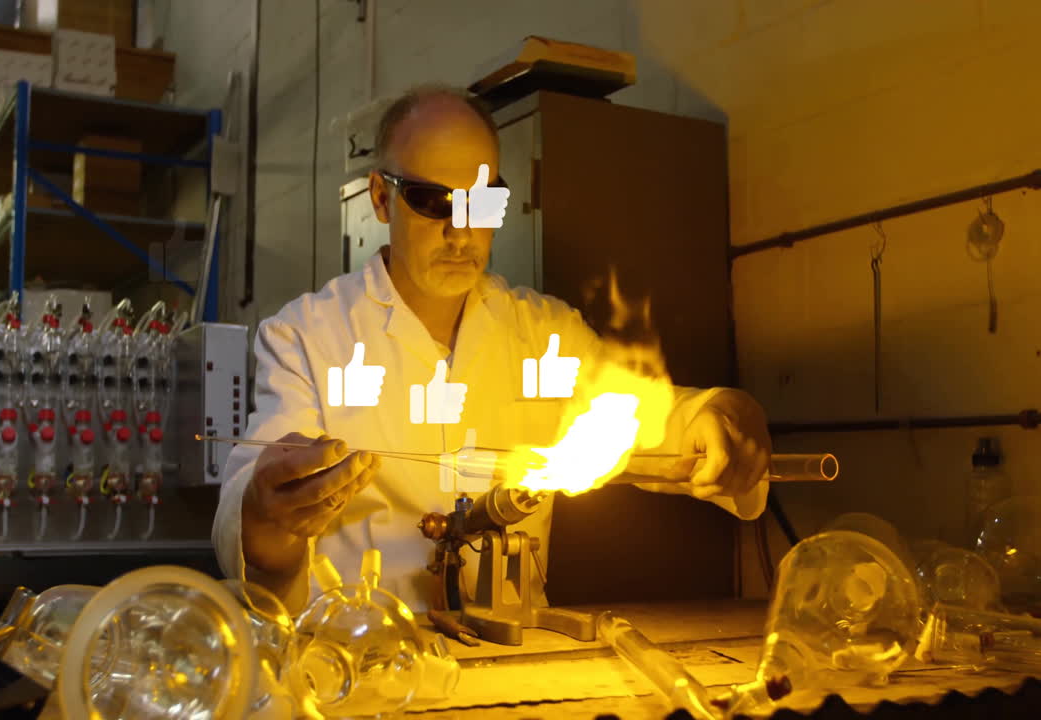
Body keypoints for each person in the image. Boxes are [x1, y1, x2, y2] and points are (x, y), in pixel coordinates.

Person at [213, 85, 772, 614]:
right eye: (433, 201)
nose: (461, 233)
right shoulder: (307, 337)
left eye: (482, 204)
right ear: (382, 198)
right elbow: (248, 521)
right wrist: (267, 515)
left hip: (513, 657)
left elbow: (652, 420)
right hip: (360, 653)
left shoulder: (545, 335)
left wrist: (719, 413)